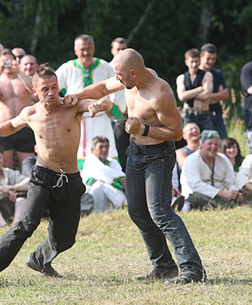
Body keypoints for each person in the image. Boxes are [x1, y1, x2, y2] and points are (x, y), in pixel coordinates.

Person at [64, 48, 205, 284]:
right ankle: (163, 266)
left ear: (133, 73)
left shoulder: (159, 93)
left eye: (119, 75)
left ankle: (192, 270)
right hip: (135, 154)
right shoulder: (129, 82)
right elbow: (102, 88)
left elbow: (177, 132)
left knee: (160, 212)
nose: (116, 79)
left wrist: (144, 129)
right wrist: (76, 96)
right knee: (137, 211)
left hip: (158, 156)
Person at [0, 64, 112, 287]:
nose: (52, 93)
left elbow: (105, 102)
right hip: (43, 176)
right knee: (26, 224)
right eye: (45, 89)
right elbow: (11, 125)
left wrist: (99, 105)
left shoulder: (70, 106)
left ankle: (39, 259)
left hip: (70, 179)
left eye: (54, 87)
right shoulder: (31, 113)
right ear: (35, 92)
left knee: (65, 238)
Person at [56, 34, 121, 168]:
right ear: (76, 51)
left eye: (88, 49)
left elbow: (119, 86)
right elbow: (54, 88)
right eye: (82, 49)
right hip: (78, 120)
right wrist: (64, 106)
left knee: (105, 152)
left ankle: (111, 184)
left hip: (101, 119)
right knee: (79, 154)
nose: (86, 53)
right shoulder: (67, 68)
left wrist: (114, 110)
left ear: (93, 48)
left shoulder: (104, 66)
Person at [0, 49, 36, 169]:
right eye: (3, 61)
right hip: (4, 127)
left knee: (27, 165)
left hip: (24, 126)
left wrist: (18, 71)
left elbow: (33, 88)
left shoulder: (23, 79)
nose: (7, 64)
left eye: (9, 61)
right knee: (6, 166)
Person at [181, 130, 242, 210]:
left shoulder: (223, 159)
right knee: (197, 196)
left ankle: (209, 207)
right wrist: (221, 193)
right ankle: (222, 206)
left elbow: (230, 181)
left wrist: (234, 193)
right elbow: (195, 185)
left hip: (219, 197)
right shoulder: (191, 160)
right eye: (210, 144)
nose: (213, 147)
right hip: (195, 196)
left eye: (216, 144)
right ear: (202, 144)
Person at [81, 136, 126, 212]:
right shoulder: (90, 161)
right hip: (92, 196)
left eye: (106, 146)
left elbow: (122, 177)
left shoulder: (112, 162)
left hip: (109, 197)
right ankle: (124, 205)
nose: (104, 150)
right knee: (100, 183)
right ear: (92, 150)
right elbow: (104, 174)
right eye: (101, 147)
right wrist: (121, 180)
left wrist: (123, 181)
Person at [176, 48, 214, 132]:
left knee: (210, 137)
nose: (194, 65)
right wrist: (199, 89)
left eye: (196, 62)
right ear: (186, 62)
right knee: (187, 139)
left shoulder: (207, 75)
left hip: (204, 114)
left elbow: (206, 95)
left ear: (200, 60)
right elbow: (182, 97)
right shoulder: (181, 78)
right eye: (191, 62)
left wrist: (188, 94)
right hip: (188, 114)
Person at [199, 43, 230, 139]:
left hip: (217, 115)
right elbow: (190, 98)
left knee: (223, 142)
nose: (210, 62)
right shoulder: (195, 74)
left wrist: (205, 96)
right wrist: (217, 96)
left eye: (213, 59)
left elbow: (225, 94)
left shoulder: (217, 74)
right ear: (201, 57)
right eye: (208, 58)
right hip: (200, 116)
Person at [110, 37, 129, 171]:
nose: (121, 52)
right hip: (113, 119)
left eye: (124, 49)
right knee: (118, 155)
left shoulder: (133, 68)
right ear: (112, 51)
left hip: (131, 118)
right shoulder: (107, 68)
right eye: (118, 49)